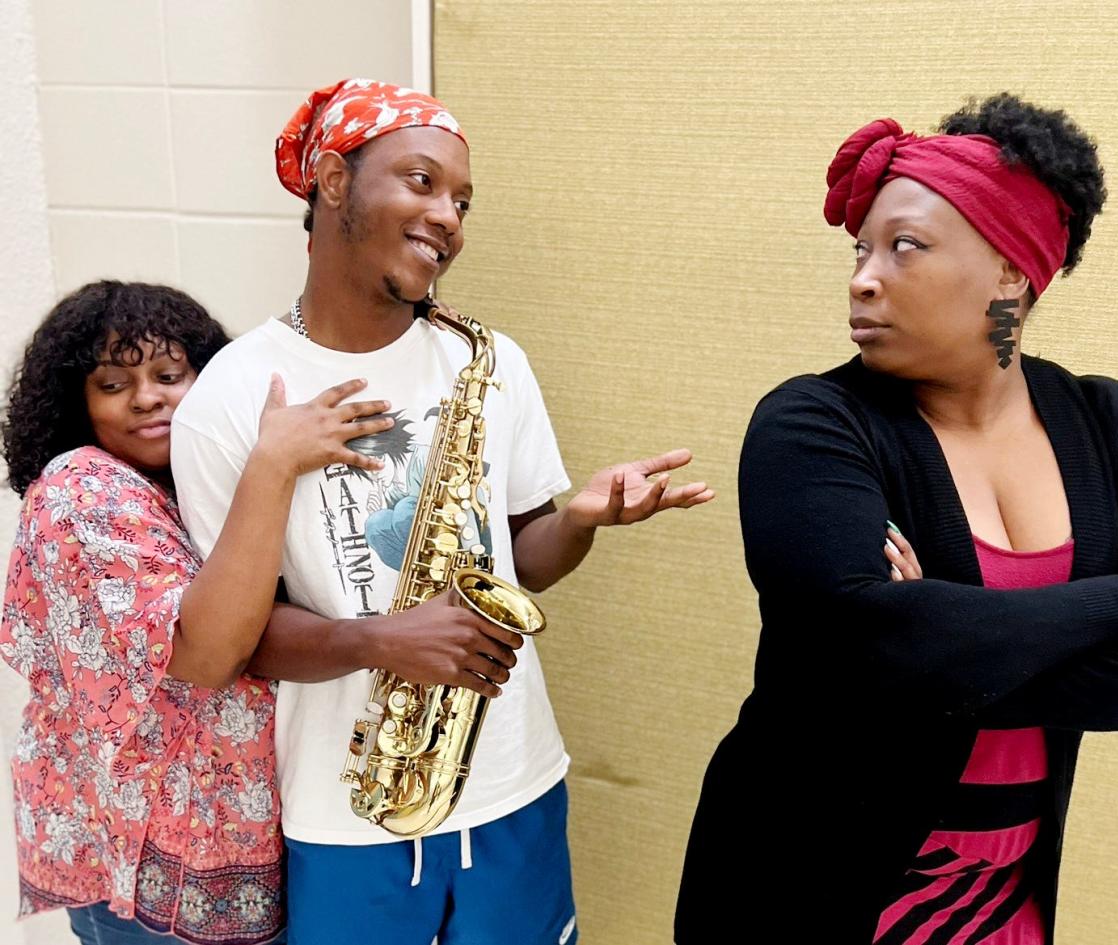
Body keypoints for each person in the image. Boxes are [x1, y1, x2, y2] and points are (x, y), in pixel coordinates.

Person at [676, 93, 1118, 943]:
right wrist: (1110, 602)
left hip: (1002, 900)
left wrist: (943, 645)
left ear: (1011, 270)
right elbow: (862, 647)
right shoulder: (814, 423)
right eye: (862, 250)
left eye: (906, 247)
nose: (863, 275)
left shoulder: (1115, 428)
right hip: (807, 894)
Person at [169, 78, 714, 945]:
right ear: (335, 182)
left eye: (461, 198)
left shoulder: (488, 360)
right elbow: (228, 642)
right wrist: (377, 639)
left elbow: (521, 561)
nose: (450, 216)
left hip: (514, 785)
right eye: (422, 181)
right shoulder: (232, 397)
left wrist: (577, 519)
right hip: (350, 813)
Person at [1, 280, 394, 944]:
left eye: (168, 374)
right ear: (77, 400)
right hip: (148, 875)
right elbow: (208, 655)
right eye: (114, 383)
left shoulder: (190, 484)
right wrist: (274, 459)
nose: (148, 396)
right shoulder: (82, 489)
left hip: (244, 851)